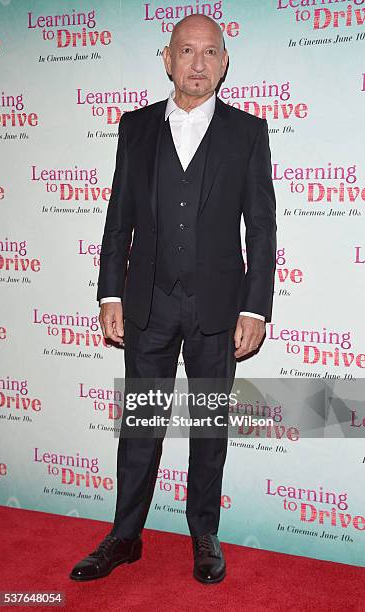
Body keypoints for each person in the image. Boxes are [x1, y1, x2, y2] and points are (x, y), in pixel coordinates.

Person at [70, 13, 276, 585]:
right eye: (187, 50)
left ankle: (204, 534)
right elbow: (118, 221)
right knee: (141, 424)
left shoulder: (247, 132)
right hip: (149, 305)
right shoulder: (134, 128)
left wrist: (255, 307)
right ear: (167, 58)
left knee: (209, 426)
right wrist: (110, 291)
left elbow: (261, 228)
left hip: (217, 310)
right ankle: (124, 536)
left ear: (224, 63)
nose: (198, 63)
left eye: (210, 52)